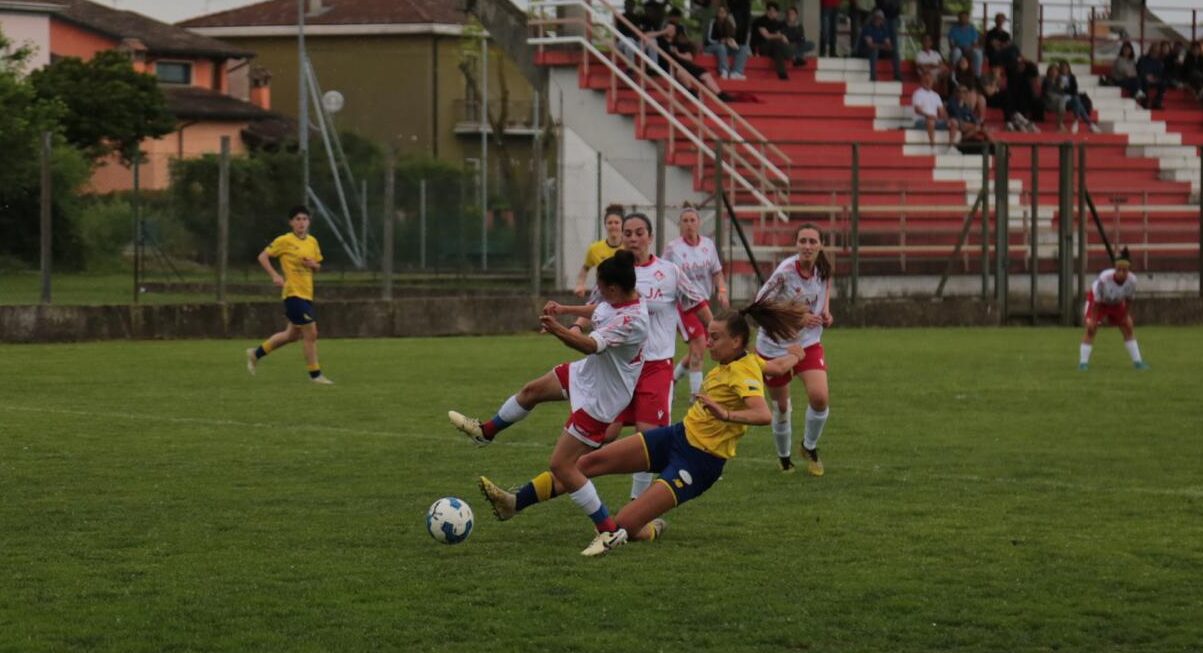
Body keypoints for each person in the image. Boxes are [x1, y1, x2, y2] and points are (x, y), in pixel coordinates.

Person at [477, 298, 811, 555]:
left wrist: (724, 414)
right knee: (585, 464)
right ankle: (512, 503)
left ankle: (652, 528)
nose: (707, 343)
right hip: (676, 437)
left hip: (699, 462)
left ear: (736, 342)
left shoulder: (743, 372)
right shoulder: (748, 360)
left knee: (623, 525)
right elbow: (776, 365)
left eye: (715, 338)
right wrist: (796, 355)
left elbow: (763, 414)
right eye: (708, 336)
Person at [448, 250, 650, 556]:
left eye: (602, 287)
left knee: (562, 466)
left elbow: (589, 345)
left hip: (602, 398)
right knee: (532, 391)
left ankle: (608, 531)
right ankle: (485, 432)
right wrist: (564, 308)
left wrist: (557, 328)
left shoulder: (633, 321)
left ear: (614, 289)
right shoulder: (621, 299)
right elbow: (599, 309)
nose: (601, 295)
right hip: (588, 376)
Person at [589, 212, 712, 501]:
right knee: (606, 433)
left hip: (656, 365)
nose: (633, 238)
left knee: (647, 437)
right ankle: (569, 473)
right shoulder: (613, 271)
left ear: (650, 236)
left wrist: (717, 333)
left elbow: (698, 304)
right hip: (619, 365)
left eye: (639, 232)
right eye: (629, 233)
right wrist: (574, 324)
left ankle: (637, 505)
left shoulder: (670, 272)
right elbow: (594, 305)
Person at [754, 224, 834, 476]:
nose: (808, 246)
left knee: (820, 397)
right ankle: (784, 457)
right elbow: (760, 307)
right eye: (803, 241)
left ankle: (809, 447)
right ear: (796, 244)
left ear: (820, 245)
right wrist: (798, 319)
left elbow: (825, 288)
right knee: (781, 406)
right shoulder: (784, 273)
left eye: (813, 241)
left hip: (808, 342)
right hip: (776, 345)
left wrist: (825, 311)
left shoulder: (824, 267)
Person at [245, 206, 332, 384]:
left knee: (291, 335)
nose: (301, 222)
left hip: (307, 294)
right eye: (297, 219)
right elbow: (263, 256)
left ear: (309, 222)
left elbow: (318, 266)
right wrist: (275, 275)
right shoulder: (284, 240)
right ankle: (315, 375)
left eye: (304, 219)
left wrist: (312, 265)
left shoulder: (312, 242)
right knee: (311, 333)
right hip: (293, 295)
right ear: (291, 222)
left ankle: (256, 353)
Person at [663, 206, 729, 403]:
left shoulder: (708, 245)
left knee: (697, 349)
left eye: (693, 220)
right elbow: (663, 273)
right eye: (685, 220)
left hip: (703, 302)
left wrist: (722, 290)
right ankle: (696, 395)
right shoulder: (673, 248)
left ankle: (672, 380)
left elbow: (717, 272)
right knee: (700, 343)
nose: (689, 224)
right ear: (680, 225)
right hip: (684, 305)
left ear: (699, 223)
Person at [1079, 248, 1149, 371]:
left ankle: (1138, 362)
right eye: (1119, 270)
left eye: (1125, 270)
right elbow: (1097, 302)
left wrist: (1124, 316)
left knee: (1127, 326)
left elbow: (1129, 300)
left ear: (1128, 270)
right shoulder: (1104, 279)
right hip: (1099, 302)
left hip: (1116, 303)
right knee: (1091, 329)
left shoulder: (1132, 281)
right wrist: (1093, 319)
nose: (1121, 273)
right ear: (1115, 269)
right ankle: (1083, 364)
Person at [575, 204, 624, 297]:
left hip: (624, 293)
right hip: (602, 292)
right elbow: (585, 268)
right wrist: (580, 284)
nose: (613, 226)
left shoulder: (629, 248)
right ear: (605, 225)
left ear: (623, 225)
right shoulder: (594, 248)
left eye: (617, 223)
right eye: (610, 223)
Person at [703, 2, 751, 80]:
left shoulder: (729, 23)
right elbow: (708, 40)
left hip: (725, 47)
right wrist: (720, 41)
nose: (722, 14)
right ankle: (724, 70)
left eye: (724, 12)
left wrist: (732, 41)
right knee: (721, 47)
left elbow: (733, 36)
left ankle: (737, 72)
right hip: (711, 46)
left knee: (743, 47)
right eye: (720, 12)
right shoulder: (713, 22)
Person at [913, 71, 957, 149]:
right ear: (922, 81)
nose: (928, 82)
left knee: (954, 122)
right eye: (926, 80)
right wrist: (929, 116)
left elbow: (942, 111)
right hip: (921, 121)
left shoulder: (936, 95)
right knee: (931, 121)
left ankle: (951, 146)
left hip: (934, 120)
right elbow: (917, 110)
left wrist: (947, 120)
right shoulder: (918, 93)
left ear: (933, 82)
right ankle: (932, 145)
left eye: (930, 80)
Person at [751, 1, 792, 80]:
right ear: (767, 11)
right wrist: (781, 36)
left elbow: (778, 35)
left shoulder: (776, 23)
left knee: (778, 46)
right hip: (760, 47)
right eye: (770, 10)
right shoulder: (759, 21)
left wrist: (781, 37)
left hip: (773, 48)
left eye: (774, 11)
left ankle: (782, 74)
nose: (772, 13)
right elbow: (767, 36)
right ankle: (792, 57)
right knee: (776, 43)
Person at [1058, 60, 1102, 133]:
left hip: (1072, 98)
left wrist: (1066, 89)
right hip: (1064, 100)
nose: (1064, 69)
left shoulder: (1072, 77)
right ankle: (1088, 124)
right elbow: (1061, 90)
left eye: (1066, 67)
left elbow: (1074, 89)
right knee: (1078, 102)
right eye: (1062, 68)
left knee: (1076, 99)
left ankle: (1076, 120)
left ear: (1068, 68)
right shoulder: (1058, 78)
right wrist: (1067, 89)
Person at [859, 9, 900, 82]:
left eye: (880, 18)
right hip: (866, 51)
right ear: (874, 18)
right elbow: (870, 45)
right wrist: (883, 46)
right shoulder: (868, 28)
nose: (879, 20)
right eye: (877, 18)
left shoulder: (884, 29)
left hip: (879, 49)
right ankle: (873, 76)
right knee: (874, 51)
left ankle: (897, 74)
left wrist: (883, 46)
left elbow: (889, 45)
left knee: (894, 52)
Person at [947, 11, 982, 77]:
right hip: (958, 49)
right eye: (961, 17)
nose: (963, 19)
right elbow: (951, 45)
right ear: (958, 18)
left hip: (969, 50)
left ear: (968, 18)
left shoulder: (972, 29)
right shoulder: (953, 29)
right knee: (956, 52)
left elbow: (975, 44)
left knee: (978, 53)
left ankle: (977, 76)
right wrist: (961, 47)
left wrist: (970, 48)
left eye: (965, 17)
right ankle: (952, 74)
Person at [1135, 42, 1167, 109]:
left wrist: (1155, 78)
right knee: (1144, 80)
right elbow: (1139, 70)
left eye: (1157, 51)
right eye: (1153, 50)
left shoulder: (1159, 61)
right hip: (1144, 79)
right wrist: (1146, 76)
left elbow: (1160, 73)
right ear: (1150, 50)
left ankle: (1157, 101)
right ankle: (1145, 101)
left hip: (1154, 79)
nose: (1155, 52)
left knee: (1163, 82)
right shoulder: (1142, 59)